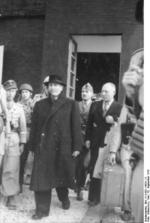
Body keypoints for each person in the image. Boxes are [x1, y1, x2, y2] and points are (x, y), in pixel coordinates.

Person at [29, 74, 82, 220]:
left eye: (57, 85)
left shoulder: (71, 104)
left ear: (62, 88)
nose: (53, 87)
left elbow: (76, 127)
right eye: (51, 85)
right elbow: (34, 128)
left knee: (61, 177)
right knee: (42, 179)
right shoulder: (40, 105)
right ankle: (41, 210)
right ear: (47, 87)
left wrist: (77, 146)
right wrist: (33, 146)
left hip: (62, 147)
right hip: (44, 147)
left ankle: (64, 198)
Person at [108, 49, 143, 222]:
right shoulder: (128, 105)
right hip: (129, 148)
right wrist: (113, 151)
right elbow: (119, 128)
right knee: (129, 178)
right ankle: (128, 210)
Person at [85, 82, 122, 206]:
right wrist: (87, 139)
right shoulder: (95, 105)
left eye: (106, 91)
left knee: (107, 170)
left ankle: (106, 197)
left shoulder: (119, 107)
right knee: (94, 168)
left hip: (110, 142)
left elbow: (122, 126)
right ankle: (93, 198)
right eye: (102, 91)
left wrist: (114, 120)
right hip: (96, 141)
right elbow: (89, 124)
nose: (103, 94)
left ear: (114, 93)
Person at [0, 80, 26, 209]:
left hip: (13, 139)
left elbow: (23, 127)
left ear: (16, 92)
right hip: (0, 136)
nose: (10, 93)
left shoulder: (19, 108)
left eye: (13, 90)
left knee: (12, 167)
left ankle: (10, 195)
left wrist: (22, 143)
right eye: (8, 90)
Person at [75, 82, 94, 201]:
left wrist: (91, 138)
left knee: (86, 163)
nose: (84, 94)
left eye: (87, 92)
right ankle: (78, 186)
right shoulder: (76, 104)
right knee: (77, 162)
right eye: (82, 92)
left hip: (89, 138)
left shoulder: (95, 106)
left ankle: (82, 186)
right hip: (78, 136)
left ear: (91, 94)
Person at [18, 83, 34, 191]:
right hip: (20, 133)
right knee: (21, 158)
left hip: (31, 132)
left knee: (31, 158)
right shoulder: (17, 104)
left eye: (26, 92)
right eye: (23, 92)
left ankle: (30, 180)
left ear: (31, 94)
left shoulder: (34, 104)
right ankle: (19, 183)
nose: (24, 94)